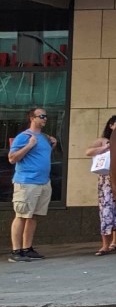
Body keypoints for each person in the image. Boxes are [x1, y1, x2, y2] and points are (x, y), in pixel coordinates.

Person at [8, 107, 55, 262]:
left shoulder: (44, 137)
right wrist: (29, 145)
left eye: (46, 116)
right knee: (21, 215)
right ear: (32, 118)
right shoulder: (24, 136)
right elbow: (12, 158)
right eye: (41, 116)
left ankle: (27, 248)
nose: (45, 119)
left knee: (33, 216)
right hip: (27, 182)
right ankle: (16, 251)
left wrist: (52, 144)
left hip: (42, 182)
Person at [85, 115, 116, 255]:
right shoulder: (104, 140)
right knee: (106, 211)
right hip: (106, 181)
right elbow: (88, 152)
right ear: (111, 125)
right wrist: (106, 148)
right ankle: (106, 245)